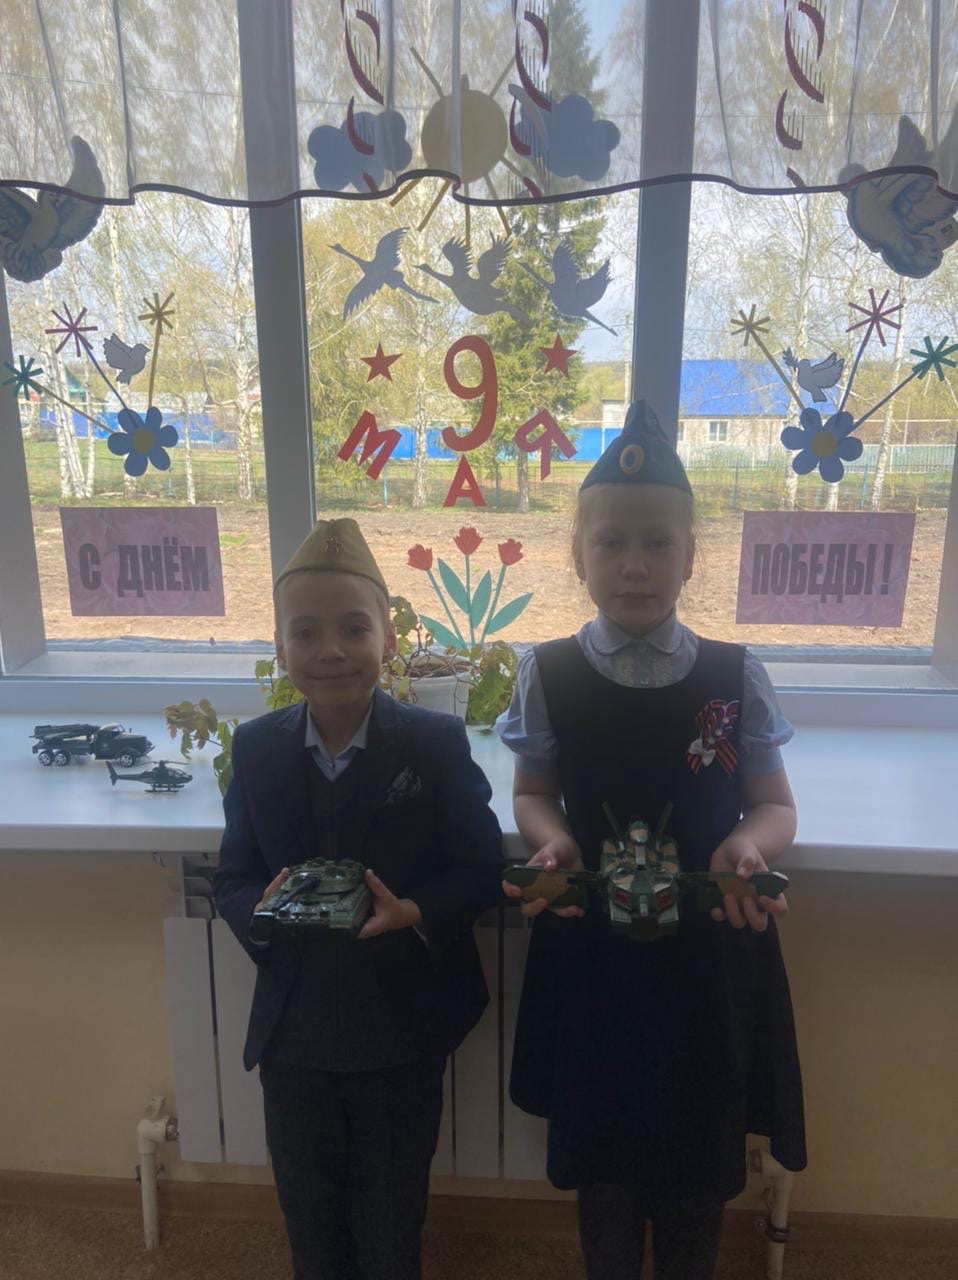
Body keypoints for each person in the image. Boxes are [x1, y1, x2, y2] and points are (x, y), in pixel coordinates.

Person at [497, 401, 806, 1280]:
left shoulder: (734, 675)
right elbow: (533, 792)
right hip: (594, 958)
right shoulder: (548, 672)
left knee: (695, 1166)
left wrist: (749, 847)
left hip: (703, 962)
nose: (634, 563)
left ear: (691, 556)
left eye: (658, 543)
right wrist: (552, 842)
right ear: (579, 556)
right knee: (603, 1169)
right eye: (611, 542)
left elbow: (774, 805)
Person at [213, 517, 503, 1280]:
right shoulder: (257, 750)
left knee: (390, 1210)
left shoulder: (433, 745)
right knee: (308, 1211)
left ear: (388, 639)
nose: (331, 650)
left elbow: (481, 868)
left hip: (399, 1029)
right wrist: (259, 911)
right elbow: (231, 877)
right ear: (280, 649)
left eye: (352, 628)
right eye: (305, 632)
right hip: (295, 1032)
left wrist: (415, 912)